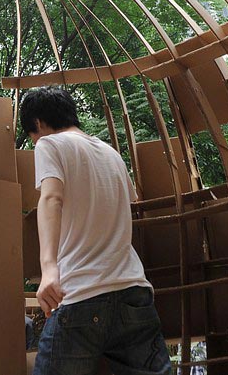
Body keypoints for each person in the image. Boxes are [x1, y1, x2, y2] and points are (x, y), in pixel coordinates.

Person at [20, 87, 172, 375]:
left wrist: (49, 268)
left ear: (37, 124)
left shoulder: (49, 144)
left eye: (32, 135)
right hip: (133, 293)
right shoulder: (111, 153)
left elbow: (51, 198)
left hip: (82, 293)